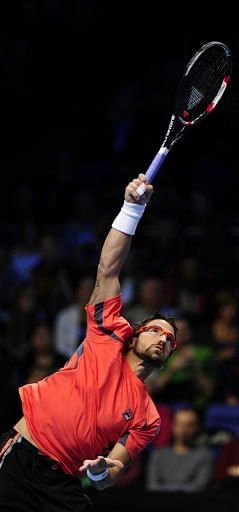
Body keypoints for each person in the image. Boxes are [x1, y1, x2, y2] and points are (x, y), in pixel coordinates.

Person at [0, 173, 178, 512]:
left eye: (170, 339)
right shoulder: (107, 337)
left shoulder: (147, 416)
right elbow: (108, 270)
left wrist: (99, 472)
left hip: (62, 483)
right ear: (136, 334)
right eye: (155, 330)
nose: (163, 338)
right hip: (20, 458)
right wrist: (132, 208)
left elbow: (111, 474)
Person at [145, 407, 213, 493]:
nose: (183, 430)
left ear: (197, 427)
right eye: (179, 424)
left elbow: (199, 487)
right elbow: (152, 486)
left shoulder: (204, 456)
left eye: (189, 426)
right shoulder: (158, 455)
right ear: (173, 426)